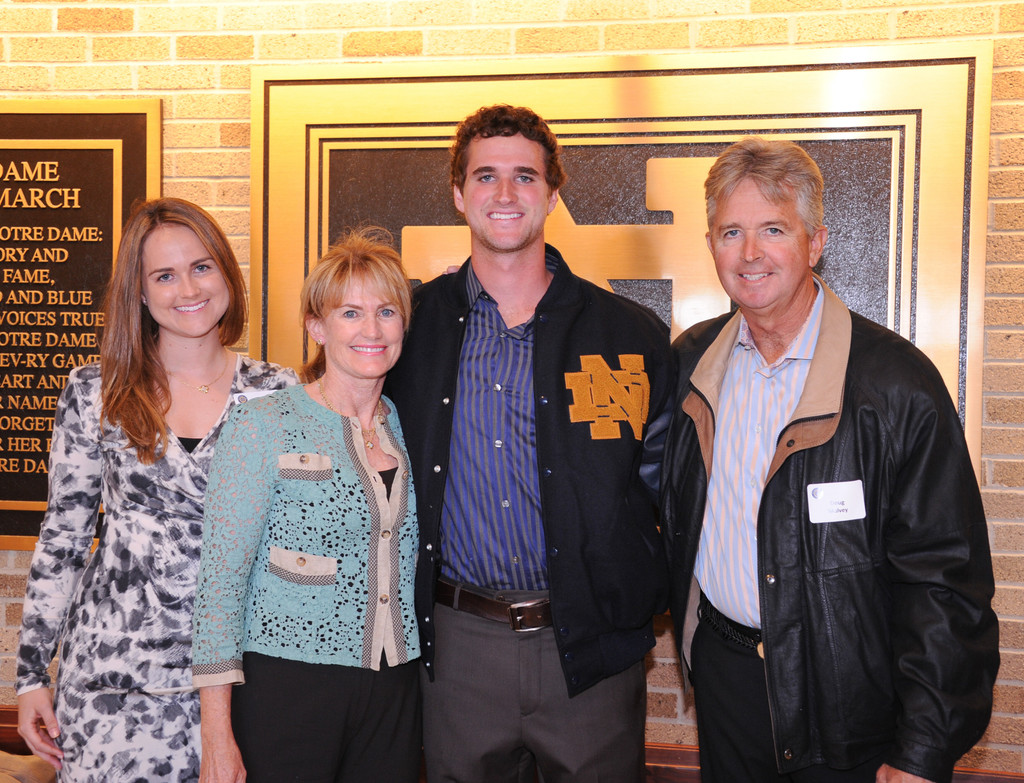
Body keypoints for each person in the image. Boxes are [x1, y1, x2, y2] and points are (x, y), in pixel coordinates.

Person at [659, 137, 999, 783]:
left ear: (815, 242)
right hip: (727, 678)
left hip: (853, 703)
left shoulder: (895, 383)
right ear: (711, 245)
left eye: (773, 229)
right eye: (732, 231)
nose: (750, 253)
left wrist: (923, 747)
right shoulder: (691, 365)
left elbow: (945, 582)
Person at [385, 104, 673, 783]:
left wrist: (636, 594)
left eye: (524, 176)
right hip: (458, 647)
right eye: (486, 176)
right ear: (459, 195)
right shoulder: (408, 329)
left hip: (591, 651)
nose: (505, 194)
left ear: (551, 192)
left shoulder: (628, 333)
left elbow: (666, 484)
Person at [15, 197, 298, 782]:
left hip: (239, 682)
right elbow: (63, 537)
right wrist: (29, 675)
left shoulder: (280, 392)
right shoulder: (97, 391)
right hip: (111, 681)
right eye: (163, 275)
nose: (187, 288)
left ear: (226, 272)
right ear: (139, 293)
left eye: (201, 267)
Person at [191, 228, 420, 783]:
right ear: (317, 326)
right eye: (349, 313)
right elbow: (220, 586)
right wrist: (216, 733)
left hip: (394, 687)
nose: (371, 330)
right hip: (286, 688)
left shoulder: (408, 427)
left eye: (387, 311)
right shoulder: (261, 425)